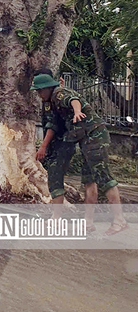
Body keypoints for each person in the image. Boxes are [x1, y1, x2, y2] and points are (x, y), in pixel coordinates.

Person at [32, 73, 128, 235]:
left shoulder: (58, 94)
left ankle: (120, 220)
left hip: (94, 136)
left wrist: (77, 112)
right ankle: (88, 223)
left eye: (40, 91)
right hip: (86, 138)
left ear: (48, 88)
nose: (39, 95)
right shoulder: (56, 95)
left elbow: (73, 101)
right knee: (89, 180)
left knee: (104, 178)